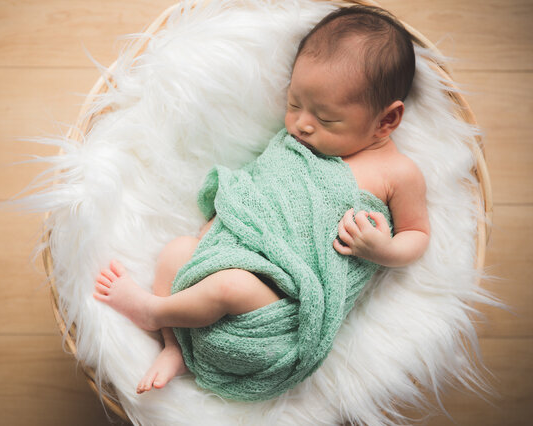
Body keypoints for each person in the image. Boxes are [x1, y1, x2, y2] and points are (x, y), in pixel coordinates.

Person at [93, 5, 430, 399]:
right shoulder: (294, 147)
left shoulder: (399, 173)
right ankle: (173, 346)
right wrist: (228, 221)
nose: (302, 124)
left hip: (283, 310)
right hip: (224, 263)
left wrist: (384, 249)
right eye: (294, 104)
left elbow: (418, 234)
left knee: (231, 287)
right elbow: (259, 189)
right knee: (176, 252)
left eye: (326, 119)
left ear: (386, 121)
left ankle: (153, 311)